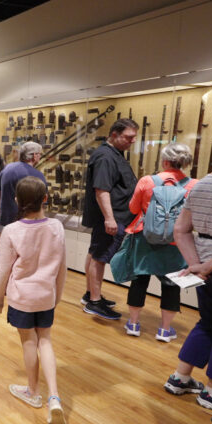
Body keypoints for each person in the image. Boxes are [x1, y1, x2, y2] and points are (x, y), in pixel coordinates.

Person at [163, 134, 212, 412]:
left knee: (207, 322)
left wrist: (197, 264)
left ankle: (180, 377)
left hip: (202, 266)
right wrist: (207, 266)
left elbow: (180, 229)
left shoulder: (202, 182)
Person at [0, 176, 65, 424]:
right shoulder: (57, 227)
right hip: (46, 295)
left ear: (16, 201)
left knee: (28, 342)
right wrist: (58, 295)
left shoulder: (12, 231)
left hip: (22, 297)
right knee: (45, 340)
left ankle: (33, 392)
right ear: (45, 198)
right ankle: (54, 397)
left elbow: (1, 270)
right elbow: (62, 267)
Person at [121, 143, 197, 341]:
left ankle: (134, 324)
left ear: (164, 161)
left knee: (139, 280)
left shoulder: (147, 181)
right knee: (171, 284)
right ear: (186, 163)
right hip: (176, 243)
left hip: (145, 239)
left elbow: (133, 207)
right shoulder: (194, 185)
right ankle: (164, 330)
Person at [81, 118, 139, 320]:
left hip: (116, 215)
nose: (132, 141)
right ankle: (94, 303)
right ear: (114, 134)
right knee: (100, 258)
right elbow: (101, 190)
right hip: (113, 217)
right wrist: (109, 219)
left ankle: (91, 294)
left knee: (95, 253)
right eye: (129, 137)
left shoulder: (113, 154)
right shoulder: (106, 157)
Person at [0, 142, 46, 227]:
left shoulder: (7, 168)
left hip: (7, 219)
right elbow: (41, 202)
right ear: (35, 155)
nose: (40, 157)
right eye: (40, 154)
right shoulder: (38, 175)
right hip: (26, 222)